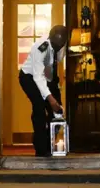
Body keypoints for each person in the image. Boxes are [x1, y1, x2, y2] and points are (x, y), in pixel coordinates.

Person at [19, 25, 68, 157]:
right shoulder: (41, 48)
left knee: (57, 111)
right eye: (55, 45)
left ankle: (57, 147)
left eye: (61, 45)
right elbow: (38, 77)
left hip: (48, 76)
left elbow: (56, 64)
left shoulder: (61, 43)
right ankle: (41, 149)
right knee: (40, 108)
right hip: (29, 78)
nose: (58, 48)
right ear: (50, 39)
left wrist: (55, 94)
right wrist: (50, 99)